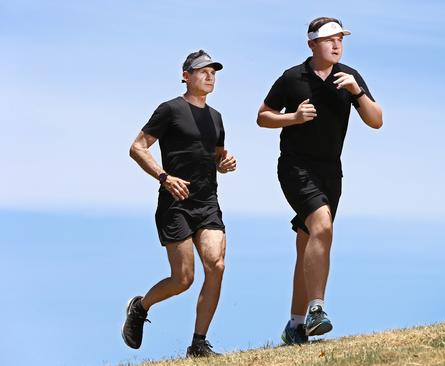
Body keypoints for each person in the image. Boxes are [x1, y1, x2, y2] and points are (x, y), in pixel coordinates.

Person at [257, 17, 383, 345]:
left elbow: (376, 120)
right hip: (296, 168)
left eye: (340, 38)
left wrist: (358, 94)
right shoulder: (292, 78)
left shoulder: (350, 77)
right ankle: (316, 311)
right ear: (312, 44)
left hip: (331, 172)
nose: (337, 44)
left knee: (308, 244)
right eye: (329, 39)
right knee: (323, 227)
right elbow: (262, 116)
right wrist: (293, 118)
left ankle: (295, 326)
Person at [122, 50, 237, 358]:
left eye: (213, 71)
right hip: (175, 203)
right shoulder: (170, 109)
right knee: (183, 278)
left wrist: (224, 162)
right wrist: (164, 177)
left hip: (207, 202)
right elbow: (137, 147)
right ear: (186, 76)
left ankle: (198, 344)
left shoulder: (216, 117)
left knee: (217, 265)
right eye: (203, 71)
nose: (210, 75)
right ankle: (140, 307)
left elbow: (216, 154)